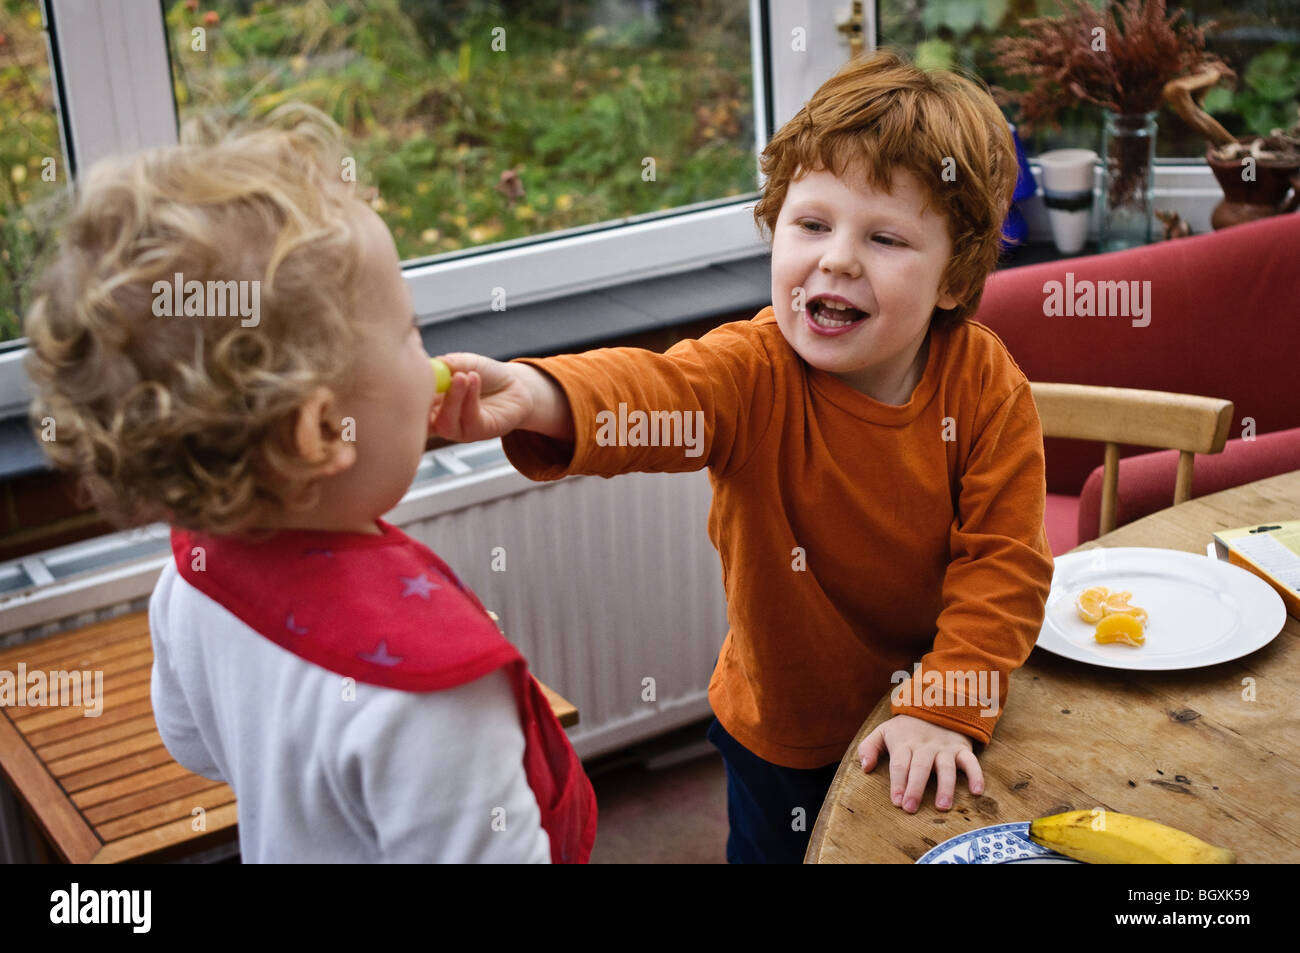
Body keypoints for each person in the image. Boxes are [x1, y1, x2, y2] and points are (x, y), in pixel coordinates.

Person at [428, 50, 1054, 863]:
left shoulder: (986, 381)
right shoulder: (752, 371)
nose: (836, 258)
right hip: (783, 733)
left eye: (886, 236)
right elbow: (654, 390)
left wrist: (941, 701)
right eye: (812, 223)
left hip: (937, 710)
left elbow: (1005, 562)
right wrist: (537, 395)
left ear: (952, 276)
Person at [22, 106, 595, 863]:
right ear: (321, 431)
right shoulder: (437, 691)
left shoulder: (194, 572)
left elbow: (194, 742)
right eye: (408, 332)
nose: (427, 354)